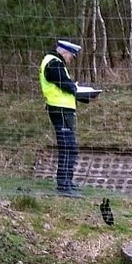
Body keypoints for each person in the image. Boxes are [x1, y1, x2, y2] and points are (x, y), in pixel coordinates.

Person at [39, 39, 84, 197]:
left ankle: (67, 181)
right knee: (67, 147)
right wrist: (79, 90)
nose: (71, 59)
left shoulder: (55, 62)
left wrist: (85, 97)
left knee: (70, 147)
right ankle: (64, 185)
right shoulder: (53, 63)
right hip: (60, 111)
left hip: (64, 110)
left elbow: (65, 87)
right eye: (71, 55)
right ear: (64, 52)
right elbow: (65, 84)